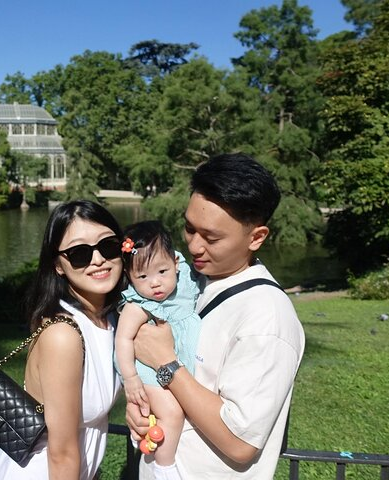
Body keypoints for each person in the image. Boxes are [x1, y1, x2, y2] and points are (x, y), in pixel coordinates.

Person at [126, 153, 306, 479]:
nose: (194, 246)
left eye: (211, 238)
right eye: (189, 228)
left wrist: (166, 365)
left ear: (256, 237)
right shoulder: (189, 283)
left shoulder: (266, 317)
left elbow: (240, 442)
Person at [0, 200, 124, 480]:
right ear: (58, 265)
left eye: (108, 246)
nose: (98, 259)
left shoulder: (109, 319)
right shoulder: (63, 335)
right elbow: (61, 454)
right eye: (79, 253)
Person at [114, 221, 202, 478]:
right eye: (142, 276)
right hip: (148, 372)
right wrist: (130, 379)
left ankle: (143, 436)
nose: (155, 283)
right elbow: (123, 340)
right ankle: (165, 469)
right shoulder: (138, 305)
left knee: (178, 407)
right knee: (172, 413)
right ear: (130, 278)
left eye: (162, 271)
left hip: (173, 364)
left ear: (176, 263)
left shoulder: (184, 281)